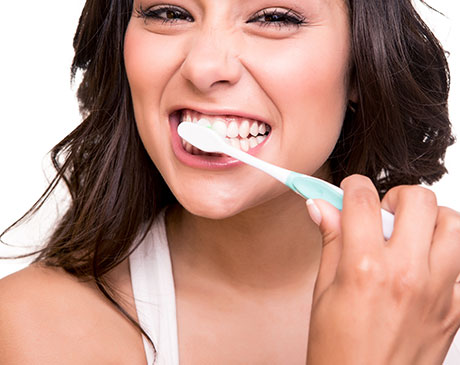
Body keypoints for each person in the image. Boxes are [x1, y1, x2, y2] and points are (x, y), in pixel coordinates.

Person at [1, 0, 459, 364]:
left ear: (361, 62)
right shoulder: (32, 332)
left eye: (274, 18)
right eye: (169, 13)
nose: (203, 67)